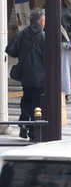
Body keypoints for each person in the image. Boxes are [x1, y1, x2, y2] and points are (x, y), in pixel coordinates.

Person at [5, 8, 46, 139]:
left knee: (27, 97)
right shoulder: (44, 37)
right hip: (40, 75)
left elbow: (10, 50)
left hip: (25, 75)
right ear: (41, 21)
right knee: (37, 102)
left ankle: (24, 121)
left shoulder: (21, 34)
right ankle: (33, 131)